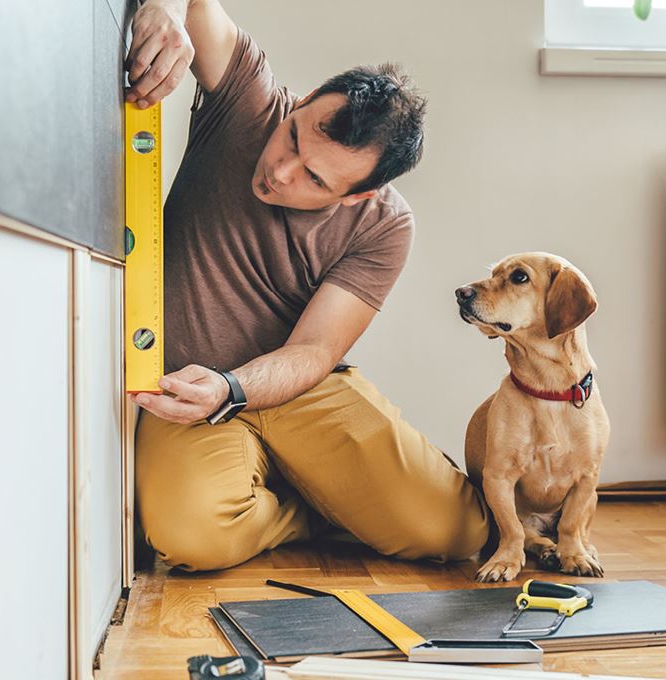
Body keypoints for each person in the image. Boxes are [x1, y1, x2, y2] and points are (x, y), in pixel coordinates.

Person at [125, 0, 490, 571]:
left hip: (296, 385)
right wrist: (164, 9)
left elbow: (316, 349)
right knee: (193, 537)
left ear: (358, 194)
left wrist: (234, 386)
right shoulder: (249, 102)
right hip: (186, 392)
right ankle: (312, 508)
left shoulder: (385, 225)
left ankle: (323, 492)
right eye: (294, 136)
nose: (281, 171)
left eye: (315, 178)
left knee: (456, 531)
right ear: (300, 103)